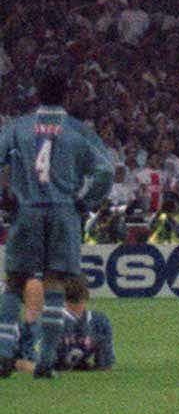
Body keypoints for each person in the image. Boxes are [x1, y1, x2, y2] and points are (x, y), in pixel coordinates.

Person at [1, 67, 114, 380]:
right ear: (66, 95)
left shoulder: (17, 127)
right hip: (63, 212)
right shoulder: (78, 131)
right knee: (55, 285)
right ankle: (46, 362)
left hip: (26, 210)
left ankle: (3, 351)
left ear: (37, 94)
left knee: (14, 283)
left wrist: (6, 197)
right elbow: (105, 171)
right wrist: (86, 202)